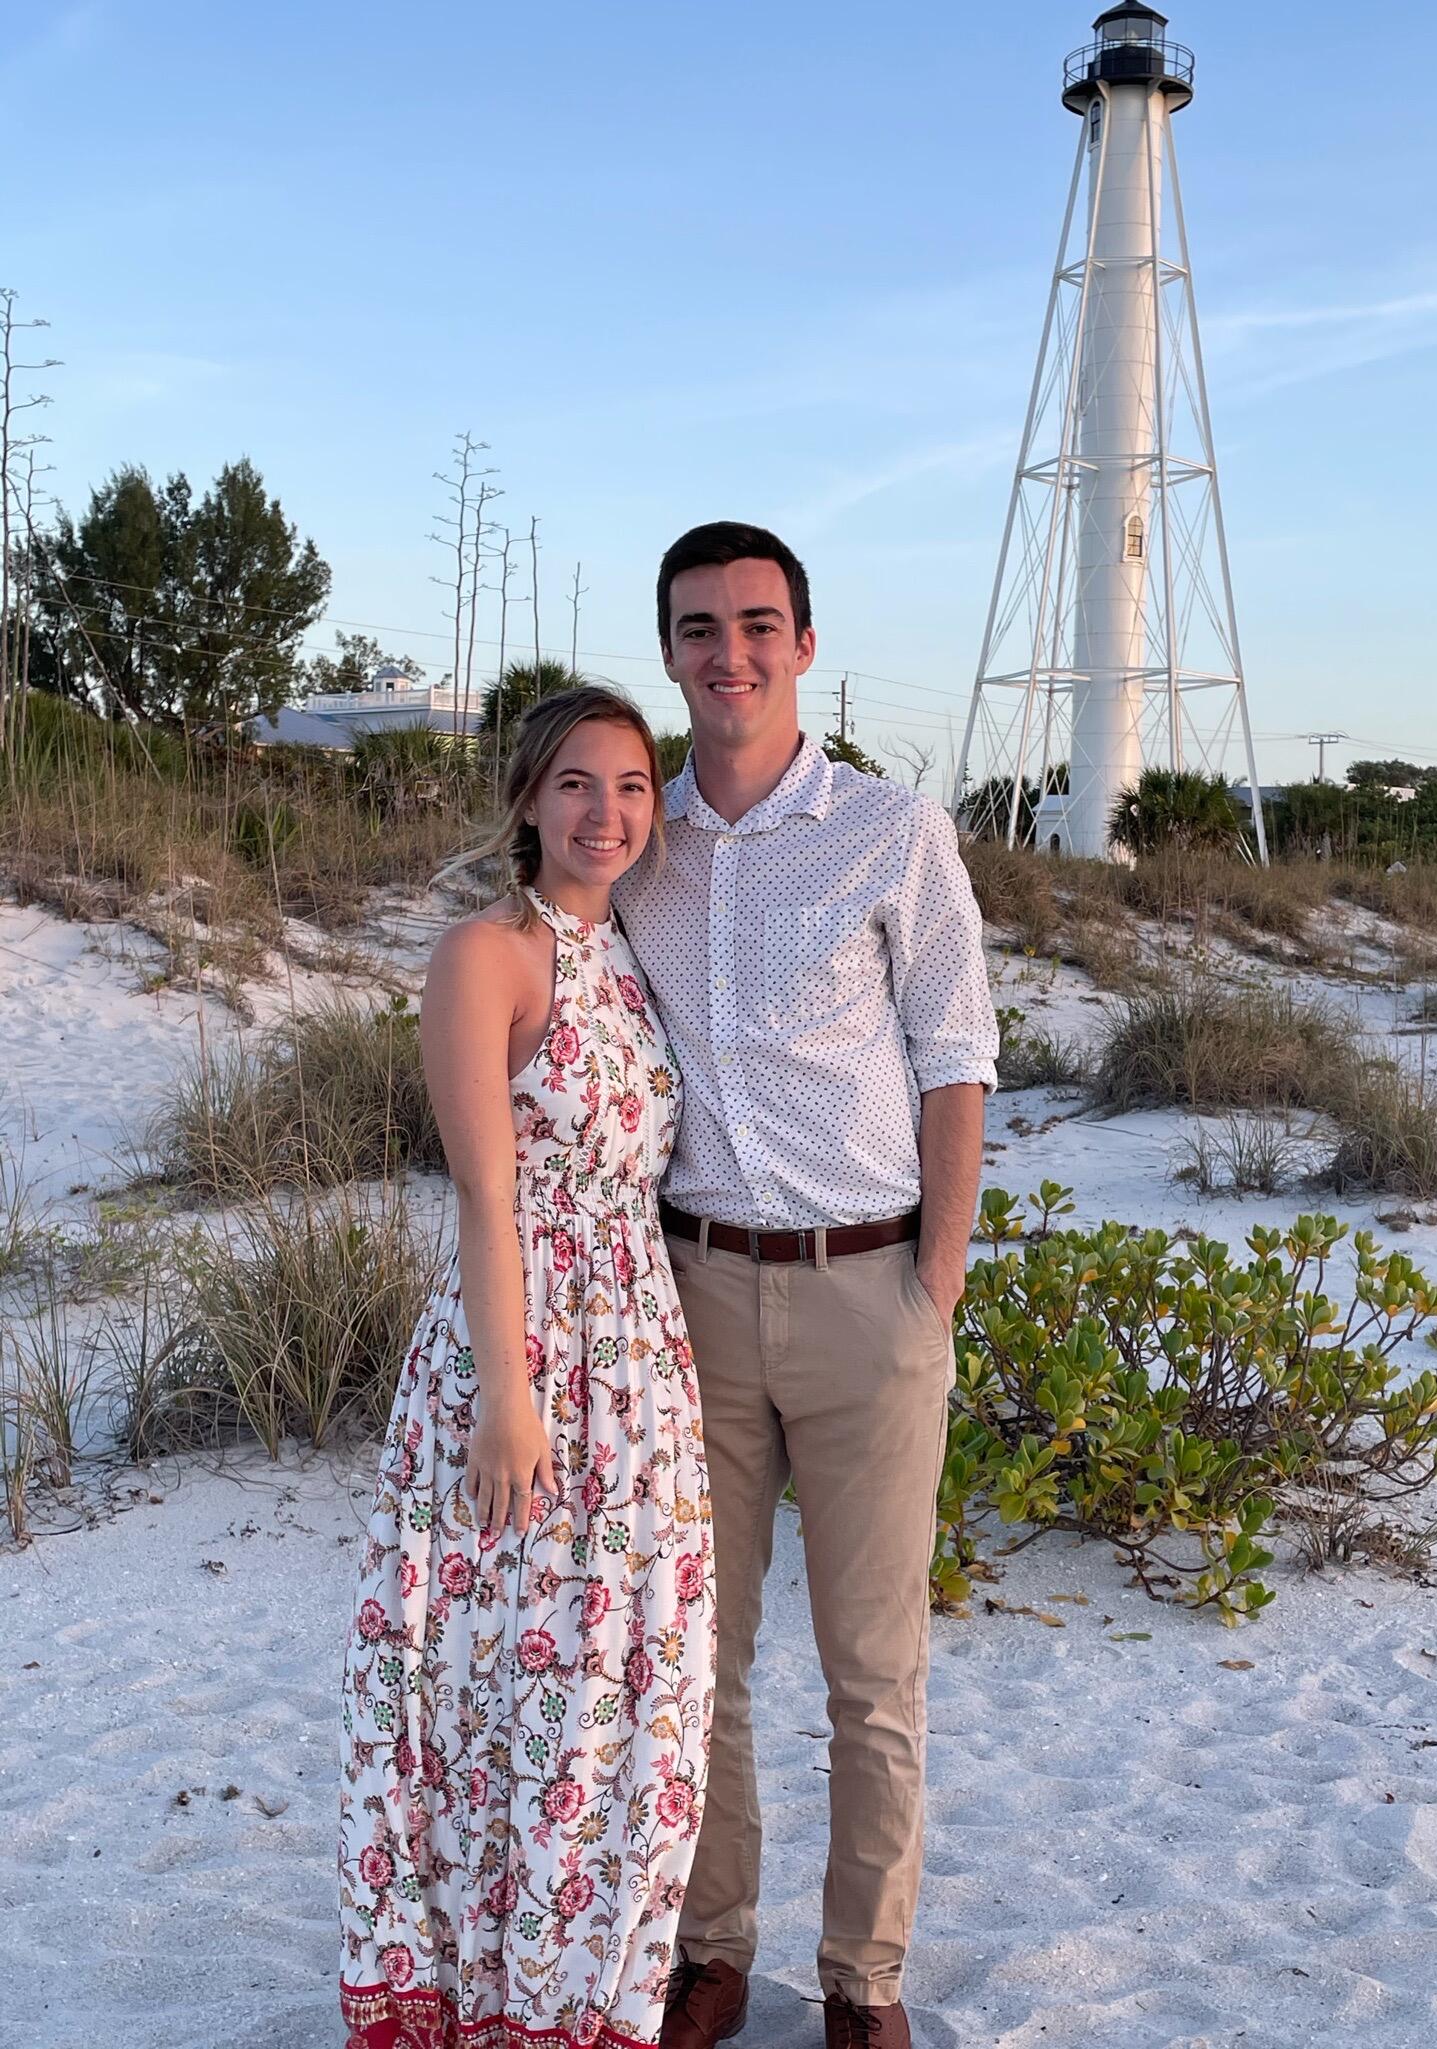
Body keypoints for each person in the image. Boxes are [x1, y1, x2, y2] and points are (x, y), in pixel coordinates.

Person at [615, 523, 997, 2049]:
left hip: (869, 1291)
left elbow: (957, 1057)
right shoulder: (637, 840)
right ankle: (710, 1948)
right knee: (696, 1652)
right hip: (693, 1290)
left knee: (873, 1667)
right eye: (700, 627)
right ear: (670, 651)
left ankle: (865, 1979)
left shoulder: (894, 829)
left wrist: (937, 1288)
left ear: (805, 645)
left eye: (759, 624)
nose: (732, 653)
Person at [339, 686, 715, 2049]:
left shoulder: (631, 955)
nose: (604, 812)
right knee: (492, 1678)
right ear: (525, 799)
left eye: (629, 785)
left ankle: (581, 1994)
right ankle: (479, 1995)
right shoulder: (484, 956)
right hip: (522, 1353)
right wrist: (509, 1399)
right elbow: (487, 1198)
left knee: (629, 1689)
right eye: (573, 783)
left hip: (639, 1362)